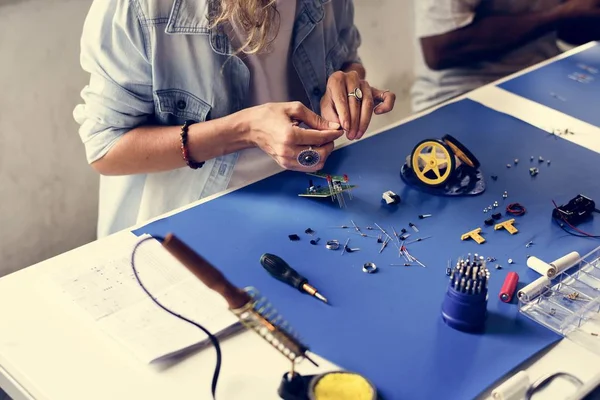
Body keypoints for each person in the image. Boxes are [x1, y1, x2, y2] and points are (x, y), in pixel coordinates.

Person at [73, 0, 396, 238]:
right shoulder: (138, 9)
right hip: (189, 222)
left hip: (308, 199)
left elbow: (348, 60)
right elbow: (106, 150)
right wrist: (245, 130)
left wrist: (347, 87)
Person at [410, 0, 600, 113]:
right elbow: (440, 50)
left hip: (540, 82)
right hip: (461, 95)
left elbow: (571, 24)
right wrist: (558, 15)